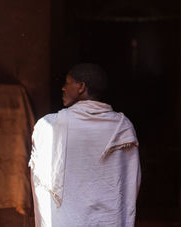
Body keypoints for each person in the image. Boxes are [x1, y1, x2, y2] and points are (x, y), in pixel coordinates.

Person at [29, 63, 141, 227]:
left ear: (81, 87)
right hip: (109, 221)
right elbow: (130, 183)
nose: (63, 88)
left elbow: (40, 185)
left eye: (67, 83)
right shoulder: (121, 127)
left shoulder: (49, 125)